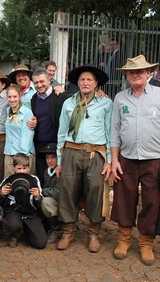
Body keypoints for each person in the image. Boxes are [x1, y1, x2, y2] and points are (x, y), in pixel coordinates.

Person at [111, 55, 160, 266]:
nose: (136, 74)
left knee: (152, 202)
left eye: (140, 71)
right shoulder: (120, 98)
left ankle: (146, 242)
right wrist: (114, 159)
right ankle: (124, 239)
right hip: (126, 159)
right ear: (126, 75)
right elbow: (114, 131)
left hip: (154, 160)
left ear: (149, 74)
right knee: (124, 200)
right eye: (131, 71)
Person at [56, 65, 112, 253]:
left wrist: (109, 160)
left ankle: (93, 232)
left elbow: (110, 133)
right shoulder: (68, 103)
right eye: (82, 80)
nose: (85, 82)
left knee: (95, 191)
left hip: (95, 153)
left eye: (89, 80)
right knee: (67, 191)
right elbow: (61, 133)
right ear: (77, 83)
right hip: (71, 151)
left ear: (96, 84)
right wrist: (59, 159)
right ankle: (68, 231)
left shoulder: (106, 103)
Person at [0, 153, 46, 249]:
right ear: (14, 168)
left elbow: (40, 203)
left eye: (24, 168)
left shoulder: (34, 180)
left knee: (40, 243)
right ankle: (12, 235)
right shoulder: (8, 180)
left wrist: (37, 196)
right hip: (14, 212)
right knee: (14, 224)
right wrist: (2, 194)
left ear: (29, 168)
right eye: (19, 168)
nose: (22, 171)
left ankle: (28, 231)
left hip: (30, 213)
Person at [31, 69, 72, 184]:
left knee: (58, 181)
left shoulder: (60, 96)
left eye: (42, 81)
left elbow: (77, 99)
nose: (39, 85)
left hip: (56, 147)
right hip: (40, 148)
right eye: (36, 83)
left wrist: (99, 93)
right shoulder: (34, 99)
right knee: (41, 180)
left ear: (49, 80)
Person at [4, 85, 35, 177]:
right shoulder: (8, 111)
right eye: (9, 97)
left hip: (23, 154)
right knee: (9, 184)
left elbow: (28, 136)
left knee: (24, 183)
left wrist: (22, 157)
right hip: (9, 153)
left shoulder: (26, 112)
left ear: (19, 96)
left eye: (14, 96)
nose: (12, 99)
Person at [39, 144, 62, 243]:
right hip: (51, 201)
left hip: (61, 203)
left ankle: (57, 229)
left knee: (46, 202)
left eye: (53, 157)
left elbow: (58, 193)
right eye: (47, 158)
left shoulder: (61, 171)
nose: (50, 160)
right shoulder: (47, 170)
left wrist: (42, 191)